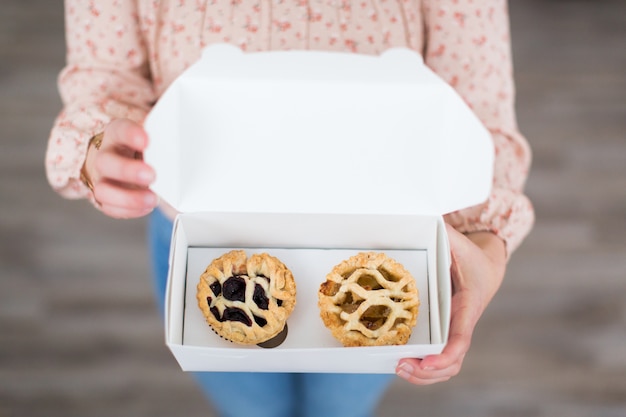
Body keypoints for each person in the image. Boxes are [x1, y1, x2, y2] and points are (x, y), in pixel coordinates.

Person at [46, 1, 534, 416]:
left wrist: (485, 243)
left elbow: (480, 97)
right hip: (195, 222)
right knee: (248, 403)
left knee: (342, 402)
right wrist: (101, 144)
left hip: (388, 238)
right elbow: (103, 74)